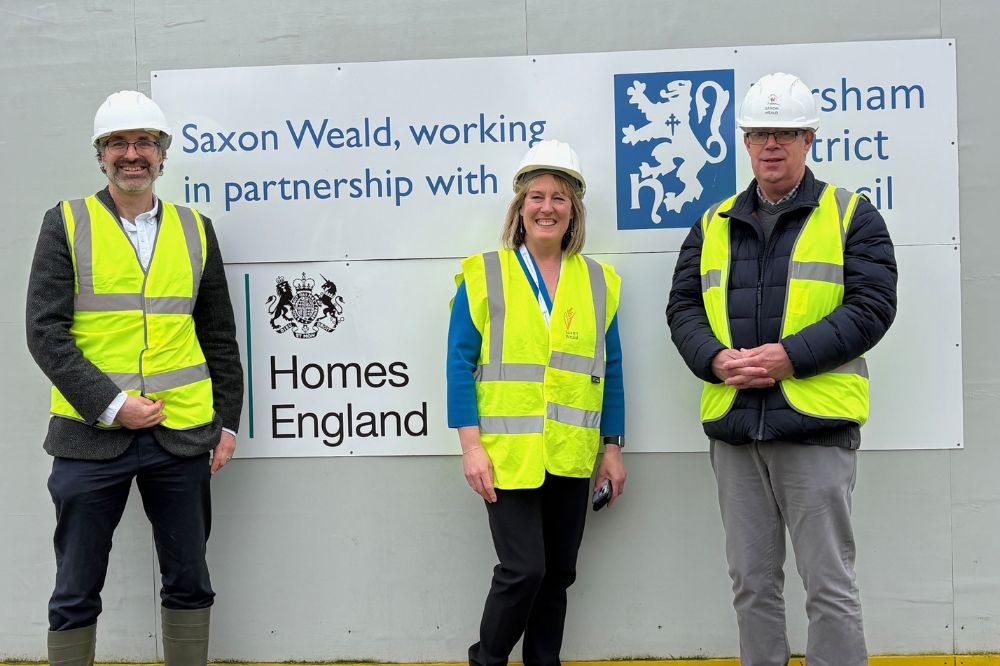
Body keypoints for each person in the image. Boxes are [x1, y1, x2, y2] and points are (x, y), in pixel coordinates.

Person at [666, 72, 897, 666]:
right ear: (745, 142)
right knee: (752, 587)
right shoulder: (711, 222)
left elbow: (873, 306)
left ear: (809, 139)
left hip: (815, 426)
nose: (773, 144)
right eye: (761, 133)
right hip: (738, 429)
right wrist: (713, 360)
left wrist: (789, 357)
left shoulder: (852, 216)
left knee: (830, 587)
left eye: (786, 133)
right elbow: (683, 308)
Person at [25, 90, 244, 666]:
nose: (132, 154)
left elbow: (219, 336)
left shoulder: (197, 229)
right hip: (88, 439)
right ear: (101, 154)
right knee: (75, 591)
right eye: (119, 143)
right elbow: (45, 332)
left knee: (190, 581)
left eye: (145, 142)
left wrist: (227, 424)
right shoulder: (67, 222)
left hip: (183, 437)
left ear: (162, 154)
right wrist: (113, 404)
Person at [447, 139, 627, 665]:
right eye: (536, 196)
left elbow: (610, 370)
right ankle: (488, 659)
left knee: (559, 574)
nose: (547, 207)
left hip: (571, 453)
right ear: (519, 208)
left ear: (574, 212)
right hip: (508, 455)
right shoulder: (484, 274)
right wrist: (470, 447)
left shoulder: (599, 281)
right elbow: (459, 362)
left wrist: (612, 449)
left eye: (560, 198)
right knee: (523, 569)